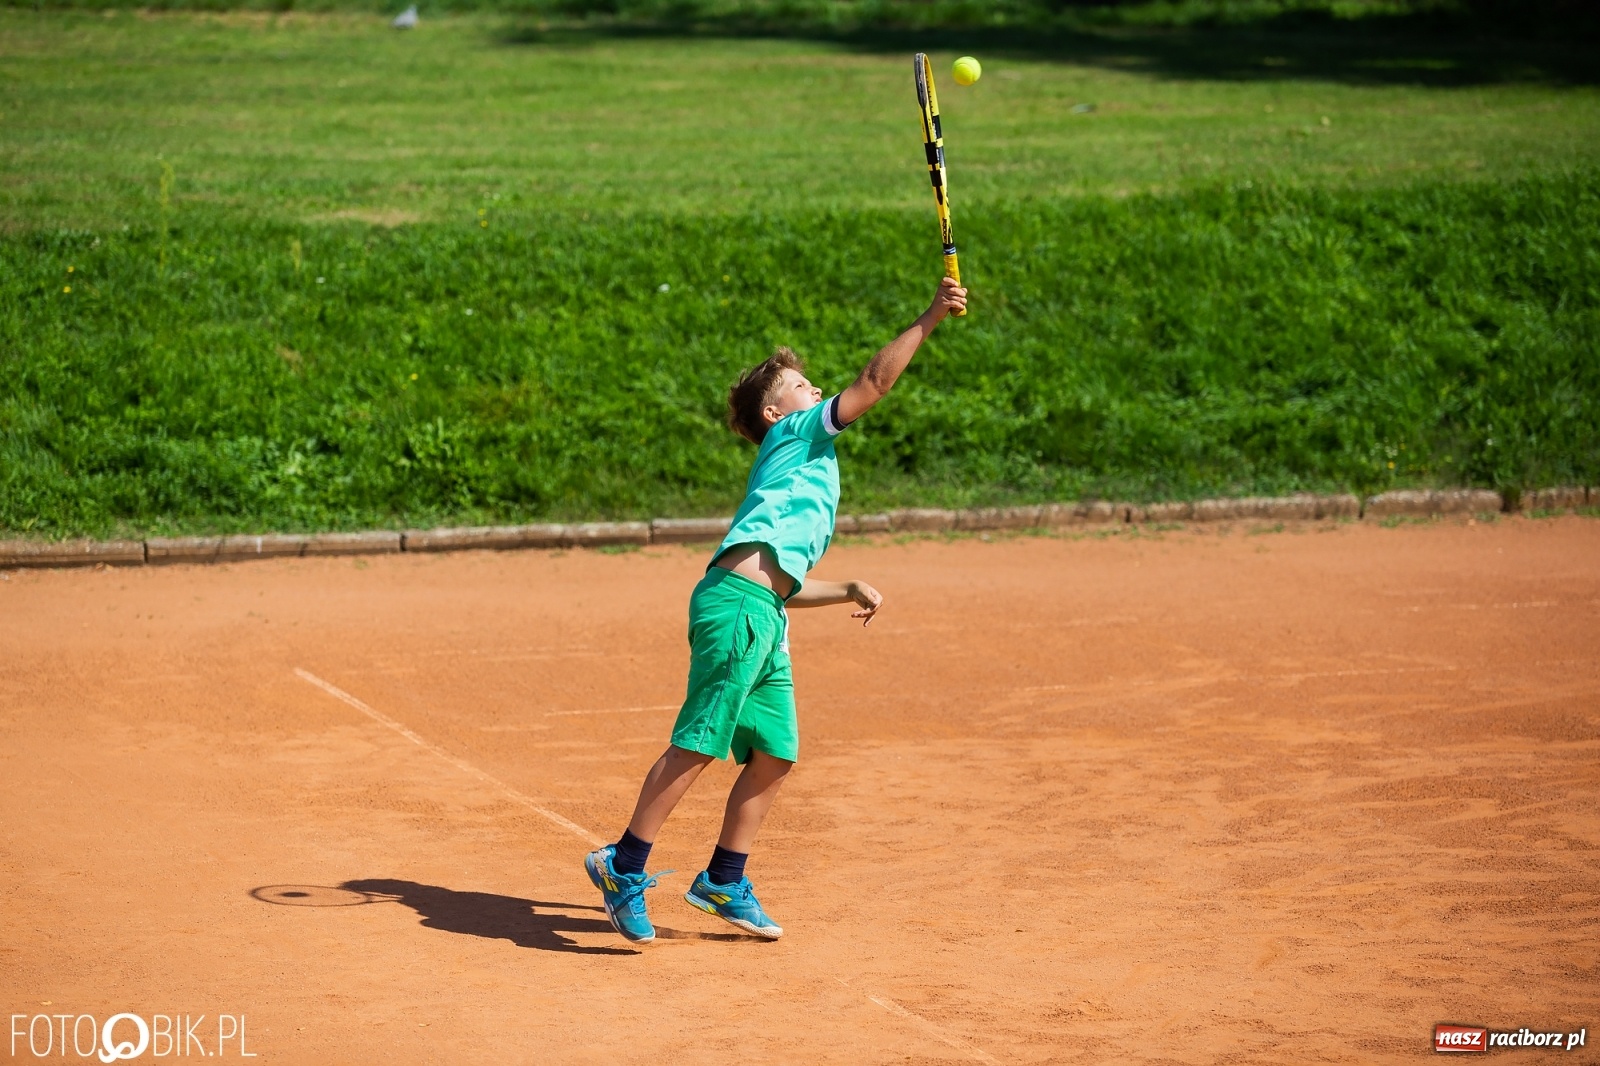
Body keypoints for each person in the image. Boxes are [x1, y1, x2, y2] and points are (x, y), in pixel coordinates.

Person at [585, 277, 969, 943]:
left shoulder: (803, 463)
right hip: (739, 608)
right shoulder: (796, 434)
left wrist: (845, 587)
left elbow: (781, 584)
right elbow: (874, 383)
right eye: (799, 384)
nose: (814, 391)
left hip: (765, 613)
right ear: (774, 412)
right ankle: (623, 865)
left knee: (775, 754)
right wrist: (931, 316)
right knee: (699, 743)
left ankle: (724, 881)